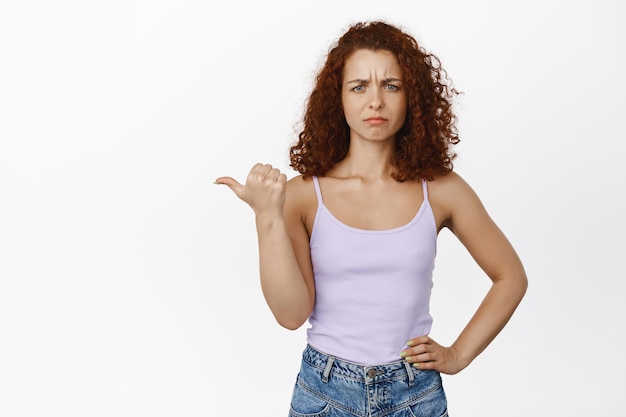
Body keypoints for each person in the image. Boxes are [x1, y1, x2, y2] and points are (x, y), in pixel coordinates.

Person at [215, 20, 527, 417]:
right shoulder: (302, 195)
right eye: (359, 86)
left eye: (391, 85)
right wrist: (267, 218)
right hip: (325, 392)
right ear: (338, 98)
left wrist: (458, 354)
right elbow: (291, 315)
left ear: (411, 96)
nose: (375, 101)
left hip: (414, 394)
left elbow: (510, 276)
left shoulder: (442, 189)